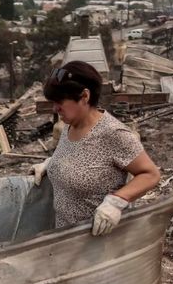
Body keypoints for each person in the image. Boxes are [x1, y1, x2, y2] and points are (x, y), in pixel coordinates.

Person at [31, 61, 161, 236]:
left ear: (84, 96)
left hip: (96, 243)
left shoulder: (113, 134)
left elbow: (151, 174)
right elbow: (78, 157)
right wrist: (53, 164)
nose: (55, 108)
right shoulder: (69, 126)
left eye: (60, 101)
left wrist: (117, 201)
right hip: (64, 237)